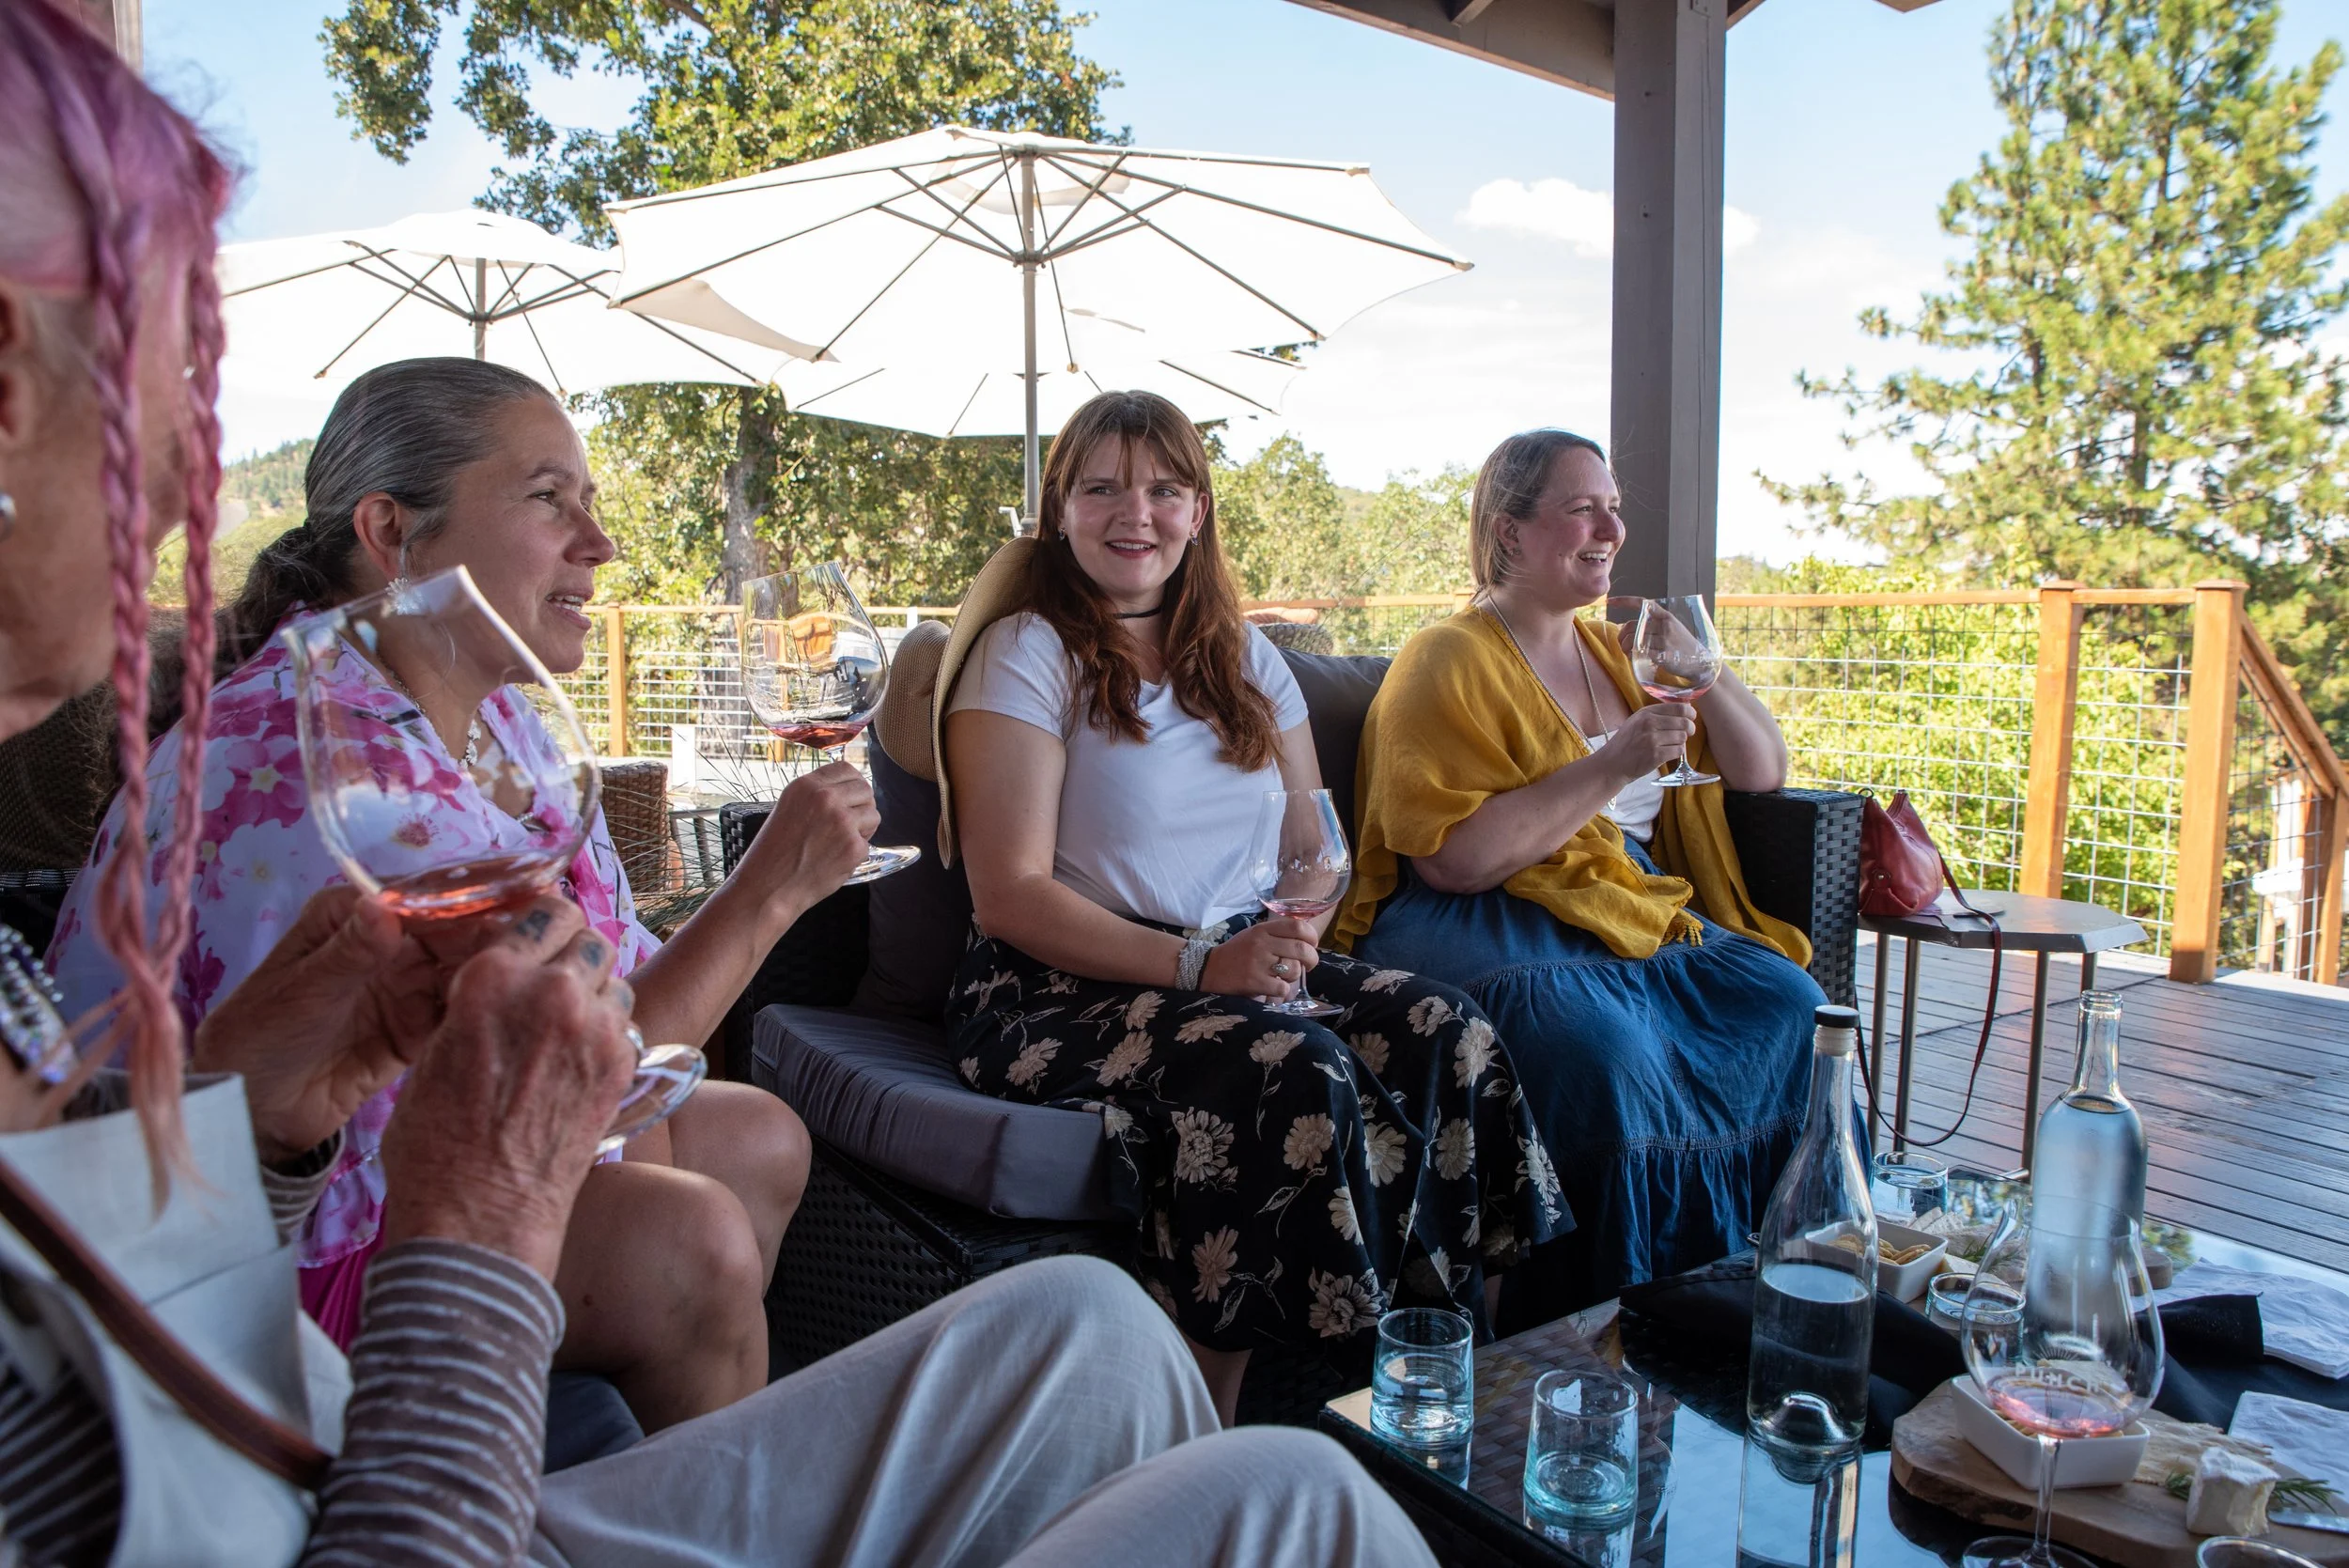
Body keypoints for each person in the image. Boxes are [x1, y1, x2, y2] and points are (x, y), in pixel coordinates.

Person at [0, 6, 1439, 1565]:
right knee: (1298, 1496)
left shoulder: (475, 728)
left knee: (1093, 1314)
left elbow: (130, 1274)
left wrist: (260, 1130)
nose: (185, 479)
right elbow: (578, 1074)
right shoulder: (324, 767)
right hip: (372, 1444)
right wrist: (486, 1220)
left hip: (269, 1305)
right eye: (175, 396)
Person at [48, 355, 842, 1432]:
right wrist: (769, 894)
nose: (598, 543)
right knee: (687, 1245)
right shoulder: (326, 769)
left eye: (590, 500)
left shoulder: (500, 716)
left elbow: (616, 1001)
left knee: (757, 1139)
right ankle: (658, 1492)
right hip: (222, 1256)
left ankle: (625, 1453)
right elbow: (558, 1074)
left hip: (389, 1155)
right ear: (392, 532)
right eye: (546, 497)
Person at [941, 391, 1565, 1423]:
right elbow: (1007, 896)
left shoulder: (1240, 655)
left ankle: (1451, 1380)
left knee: (1445, 1028)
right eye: (1100, 487)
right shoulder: (1029, 652)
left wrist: (1294, 931)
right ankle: (1203, 1433)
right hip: (1057, 987)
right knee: (1287, 1063)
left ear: (1198, 512)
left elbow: (1312, 845)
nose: (1132, 513)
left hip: (1237, 963)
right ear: (1059, 511)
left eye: (1163, 489)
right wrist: (1208, 970)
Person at [1335, 427, 1827, 1319]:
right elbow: (1452, 858)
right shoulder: (1446, 656)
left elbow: (1761, 771)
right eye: (1580, 508)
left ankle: (1748, 1280)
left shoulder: (1616, 655)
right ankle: (1594, 1309)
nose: (1610, 525)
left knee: (1788, 1004)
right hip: (1488, 908)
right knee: (1603, 1051)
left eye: (1614, 507)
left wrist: (1701, 669)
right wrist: (1615, 763)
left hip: (1621, 905)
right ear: (1511, 532)